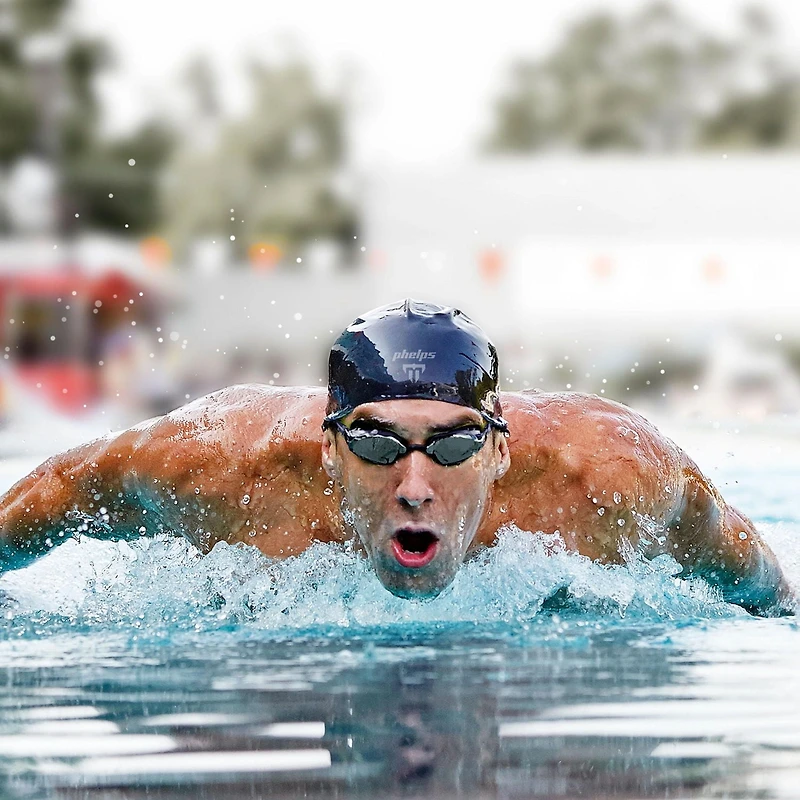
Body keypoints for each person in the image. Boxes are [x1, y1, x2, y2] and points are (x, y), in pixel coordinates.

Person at [0, 300, 792, 614]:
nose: (415, 486)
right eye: (378, 442)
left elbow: (760, 586)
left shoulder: (609, 481)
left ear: (500, 451)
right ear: (328, 446)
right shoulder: (218, 470)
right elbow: (64, 484)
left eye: (452, 445)